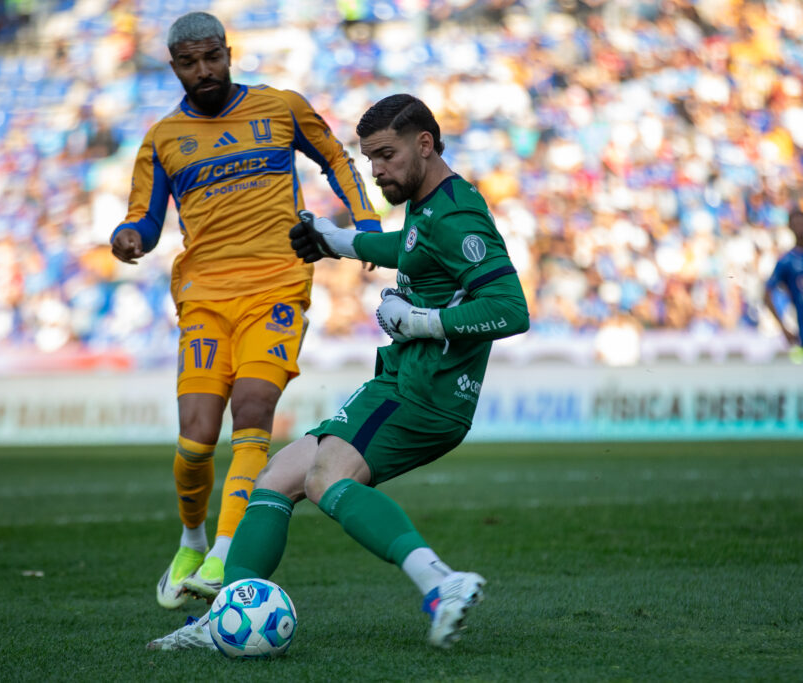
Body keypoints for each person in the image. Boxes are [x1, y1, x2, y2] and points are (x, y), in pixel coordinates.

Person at [145, 93, 530, 651]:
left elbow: (511, 309)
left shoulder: (458, 214)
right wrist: (340, 241)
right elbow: (415, 249)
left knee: (327, 479)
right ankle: (228, 611)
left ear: (425, 144)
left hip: (426, 393)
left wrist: (422, 321)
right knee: (275, 479)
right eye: (369, 157)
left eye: (386, 155)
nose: (375, 170)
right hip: (401, 382)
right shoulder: (432, 202)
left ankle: (440, 583)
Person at [110, 12, 381, 610]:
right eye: (189, 62)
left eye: (212, 58)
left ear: (229, 53)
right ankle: (192, 539)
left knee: (254, 407)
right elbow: (146, 220)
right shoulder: (161, 139)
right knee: (197, 439)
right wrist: (127, 237)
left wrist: (364, 224)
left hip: (277, 287)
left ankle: (227, 549)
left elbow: (337, 158)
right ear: (174, 66)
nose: (203, 71)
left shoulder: (281, 107)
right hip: (205, 299)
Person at [763, 208, 803, 364]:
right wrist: (783, 328)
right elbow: (767, 294)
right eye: (796, 224)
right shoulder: (787, 261)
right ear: (790, 228)